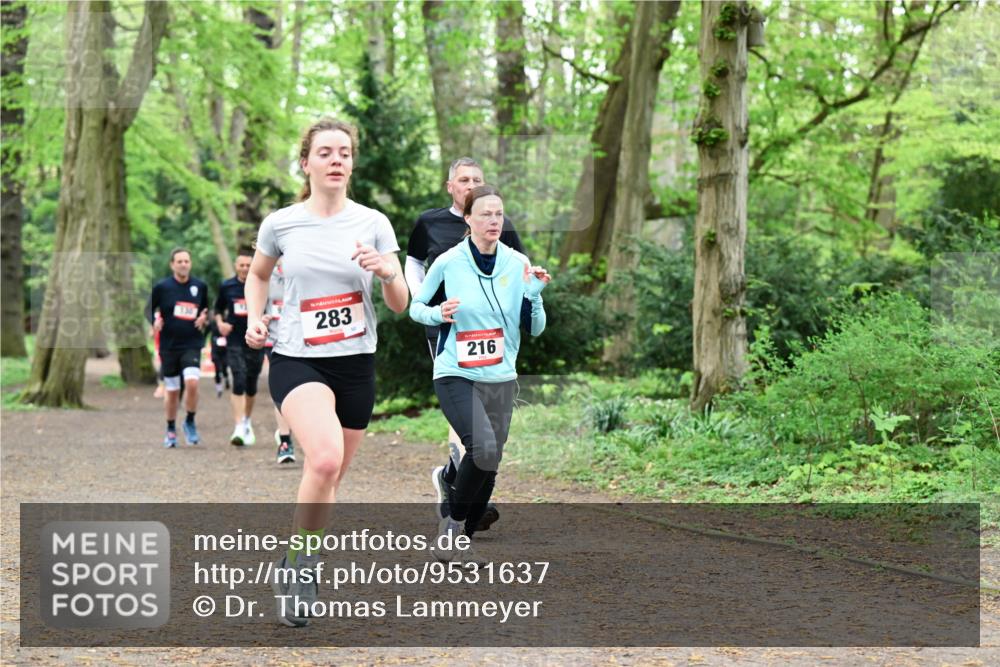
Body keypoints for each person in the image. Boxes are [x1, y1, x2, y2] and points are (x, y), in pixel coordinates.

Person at [244, 118, 408, 626]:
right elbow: (257, 275)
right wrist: (253, 316)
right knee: (323, 461)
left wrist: (387, 272)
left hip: (356, 364)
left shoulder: (374, 223)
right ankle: (301, 566)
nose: (336, 159)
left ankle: (297, 555)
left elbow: (401, 303)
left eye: (344, 152)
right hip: (298, 357)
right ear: (307, 162)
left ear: (351, 162)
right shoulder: (282, 223)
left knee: (330, 476)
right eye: (326, 152)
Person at [410, 185, 549, 562]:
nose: (493, 220)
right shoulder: (449, 261)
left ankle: (461, 525)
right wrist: (438, 314)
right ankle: (451, 525)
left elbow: (534, 328)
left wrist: (533, 295)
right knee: (482, 447)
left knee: (490, 463)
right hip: (456, 371)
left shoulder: (516, 262)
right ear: (467, 218)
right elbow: (416, 307)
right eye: (485, 213)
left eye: (498, 214)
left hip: (501, 376)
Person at [404, 157, 526, 533]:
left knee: (487, 436)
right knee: (470, 423)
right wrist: (430, 306)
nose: (470, 184)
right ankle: (464, 500)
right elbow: (412, 263)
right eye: (463, 179)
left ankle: (455, 479)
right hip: (447, 330)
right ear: (450, 186)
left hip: (492, 339)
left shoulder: (498, 225)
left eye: (477, 179)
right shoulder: (431, 223)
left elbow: (518, 272)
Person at [149, 248, 209, 447]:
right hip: (169, 345)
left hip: (191, 343)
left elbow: (205, 310)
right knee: (172, 391)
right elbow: (149, 309)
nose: (183, 264)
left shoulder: (200, 286)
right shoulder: (162, 287)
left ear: (190, 263)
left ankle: (190, 421)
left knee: (192, 383)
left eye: (186, 261)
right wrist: (154, 321)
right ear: (172, 265)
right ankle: (170, 428)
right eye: (179, 261)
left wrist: (203, 318)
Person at [215, 250, 264, 446]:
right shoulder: (227, 286)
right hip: (235, 340)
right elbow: (217, 309)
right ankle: (238, 426)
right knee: (239, 378)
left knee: (251, 384)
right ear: (236, 266)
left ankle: (247, 421)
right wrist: (220, 323)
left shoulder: (260, 284)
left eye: (248, 265)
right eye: (241, 265)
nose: (244, 268)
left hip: (255, 340)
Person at [265, 259, 296, 464]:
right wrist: (260, 319)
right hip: (275, 340)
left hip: (303, 340)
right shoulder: (265, 275)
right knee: (283, 391)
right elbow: (254, 303)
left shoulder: (304, 270)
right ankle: (285, 442)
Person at [208, 318, 230, 398]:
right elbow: (206, 331)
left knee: (224, 368)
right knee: (217, 369)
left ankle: (226, 378)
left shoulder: (227, 321)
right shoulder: (213, 323)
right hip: (215, 351)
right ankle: (219, 389)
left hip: (225, 351)